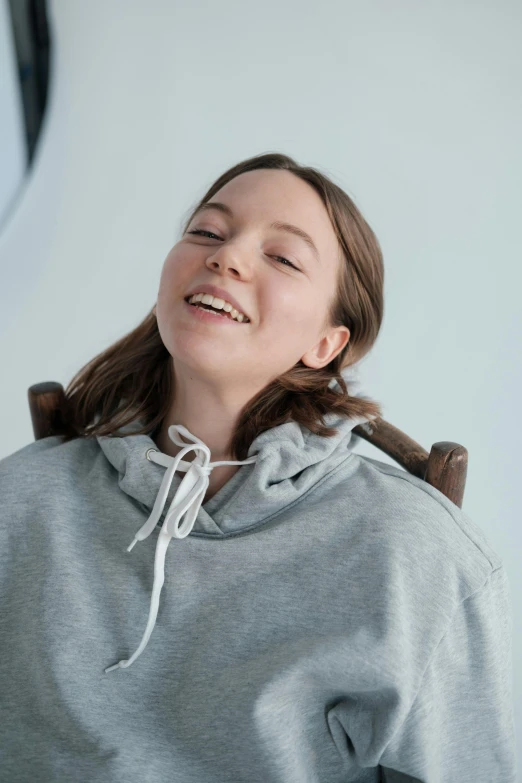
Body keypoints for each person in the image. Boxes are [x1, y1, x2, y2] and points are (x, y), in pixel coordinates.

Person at [0, 152, 516, 782]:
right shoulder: (23, 499)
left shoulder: (412, 552)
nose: (227, 257)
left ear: (327, 344)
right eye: (207, 233)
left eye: (284, 257)